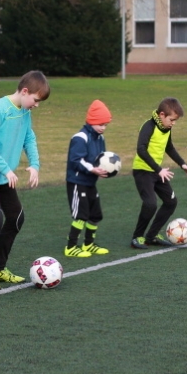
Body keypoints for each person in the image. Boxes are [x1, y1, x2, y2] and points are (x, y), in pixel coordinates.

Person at [0, 71, 49, 290]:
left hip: (4, 176)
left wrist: (34, 164)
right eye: (36, 100)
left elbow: (28, 137)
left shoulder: (24, 110)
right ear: (25, 91)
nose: (36, 105)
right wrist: (6, 170)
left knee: (15, 218)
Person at [130, 97, 187, 249]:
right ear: (162, 115)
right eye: (172, 120)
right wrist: (158, 169)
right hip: (143, 171)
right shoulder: (149, 126)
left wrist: (182, 164)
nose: (174, 123)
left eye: (175, 121)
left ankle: (152, 236)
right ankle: (137, 237)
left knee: (171, 202)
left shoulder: (166, 128)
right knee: (150, 204)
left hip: (157, 172)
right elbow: (141, 149)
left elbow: (169, 147)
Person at [64, 99, 112, 258]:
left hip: (91, 182)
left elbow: (101, 157)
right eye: (101, 124)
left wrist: (105, 169)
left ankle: (88, 244)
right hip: (77, 183)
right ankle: (71, 247)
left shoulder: (100, 138)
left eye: (106, 125)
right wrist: (93, 169)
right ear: (92, 121)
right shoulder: (80, 137)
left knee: (96, 214)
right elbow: (76, 160)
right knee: (81, 215)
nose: (103, 128)